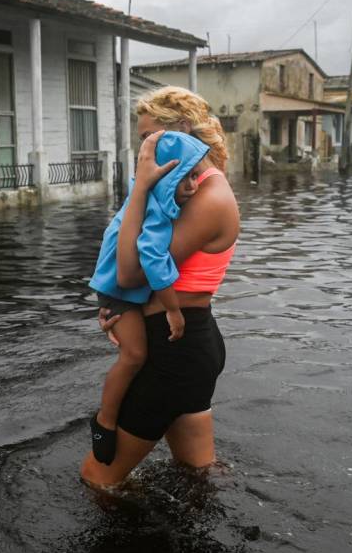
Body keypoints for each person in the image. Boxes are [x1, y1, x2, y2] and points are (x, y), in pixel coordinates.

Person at [80, 86, 240, 487]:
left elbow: (132, 273)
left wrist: (138, 189)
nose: (143, 152)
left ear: (180, 131)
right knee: (196, 474)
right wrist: (122, 309)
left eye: (147, 139)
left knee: (97, 479)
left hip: (177, 352)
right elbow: (135, 276)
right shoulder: (186, 187)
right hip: (182, 346)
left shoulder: (209, 195)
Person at [86, 131, 213, 465]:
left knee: (136, 356)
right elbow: (153, 259)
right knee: (134, 355)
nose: (194, 186)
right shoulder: (155, 212)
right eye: (184, 177)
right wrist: (173, 311)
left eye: (196, 176)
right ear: (165, 178)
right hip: (120, 293)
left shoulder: (149, 198)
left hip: (120, 291)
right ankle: (104, 422)